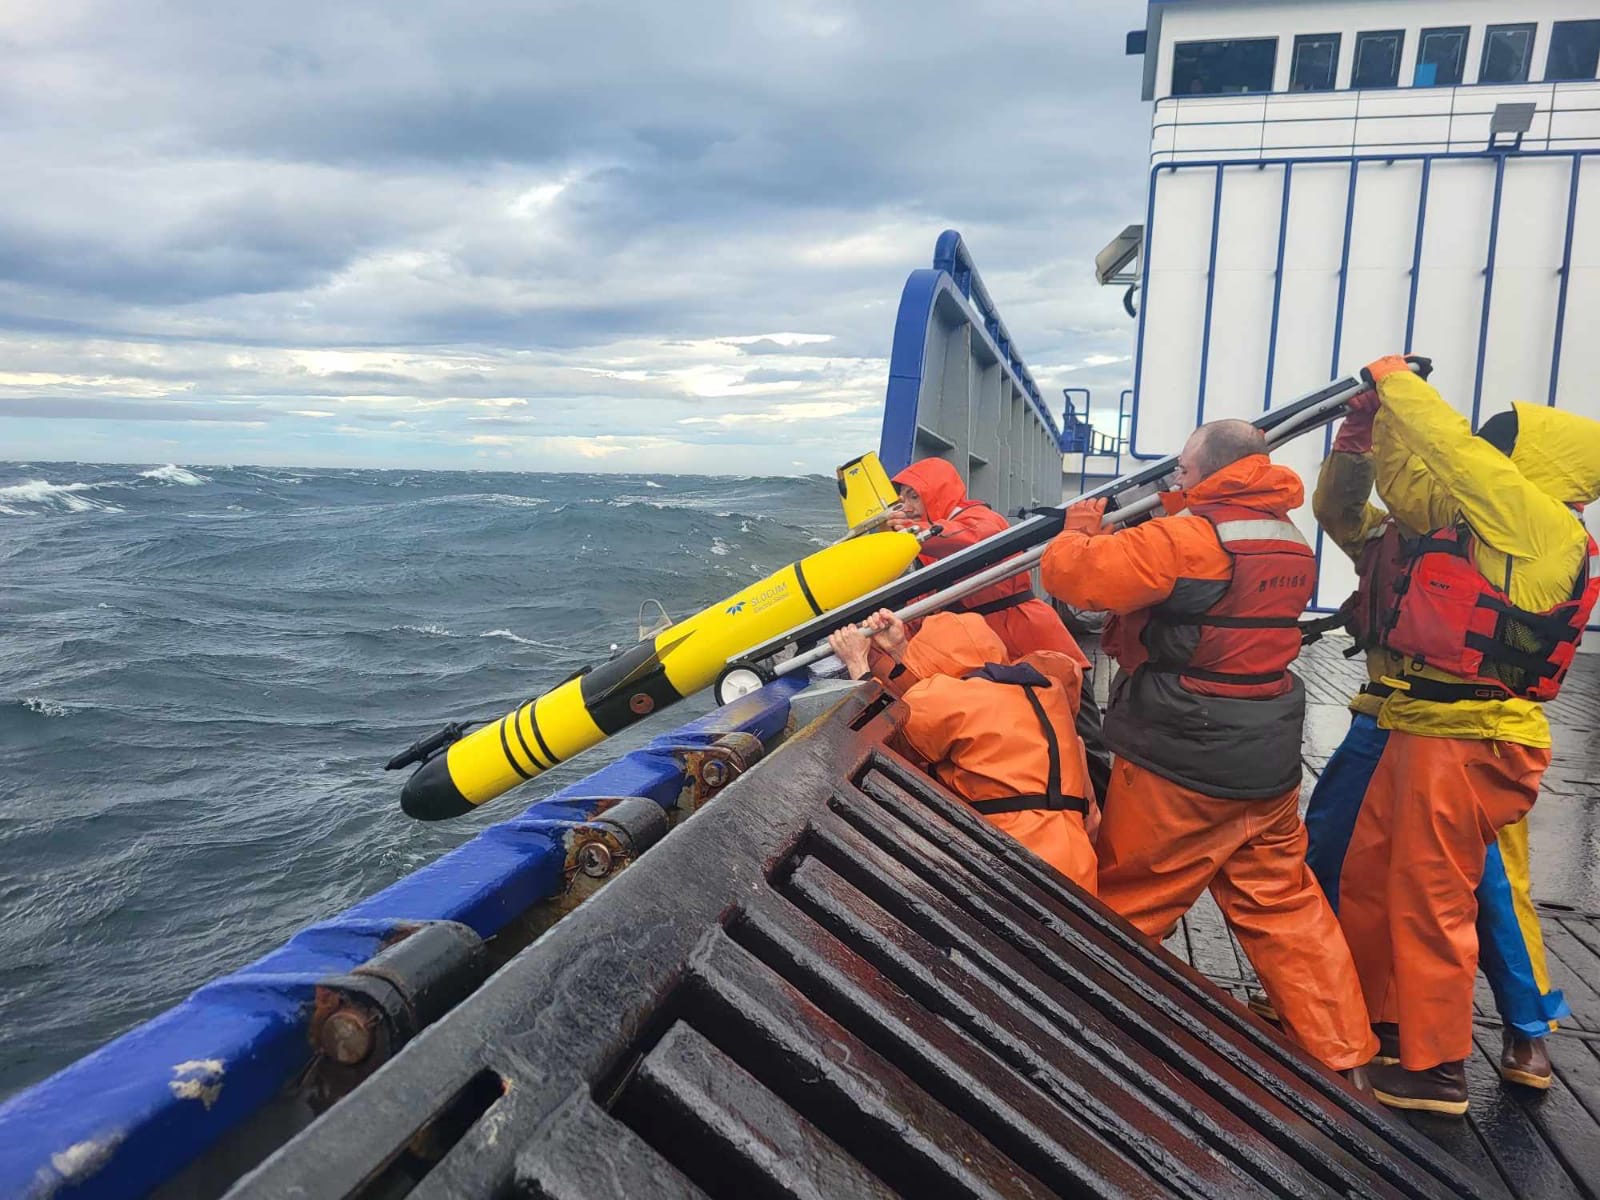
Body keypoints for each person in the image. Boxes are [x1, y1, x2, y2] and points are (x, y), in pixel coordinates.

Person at [1040, 418, 1376, 1078]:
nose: (1177, 481)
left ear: (1210, 474)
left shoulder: (1192, 537)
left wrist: (1078, 528)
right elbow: (1210, 574)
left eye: (1183, 472)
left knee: (1131, 898)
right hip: (1267, 761)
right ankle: (1345, 1056)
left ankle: (1068, 1036)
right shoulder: (1282, 535)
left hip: (1182, 759)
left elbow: (1078, 579)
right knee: (1286, 909)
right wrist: (1176, 508)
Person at [1333, 358, 1600, 1115]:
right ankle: (1386, 1026)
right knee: (1376, 875)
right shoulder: (1485, 524)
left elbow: (1454, 453)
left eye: (1503, 447)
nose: (1488, 453)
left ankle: (1437, 1067)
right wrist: (1374, 421)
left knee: (1434, 899)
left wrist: (1398, 381)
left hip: (1473, 731)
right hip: (1422, 720)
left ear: (1534, 466)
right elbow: (1408, 484)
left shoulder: (1539, 526)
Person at [889, 456, 1113, 806]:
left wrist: (918, 535)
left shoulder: (975, 518)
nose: (907, 505)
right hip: (996, 660)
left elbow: (979, 537)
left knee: (1083, 738)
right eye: (903, 497)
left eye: (914, 496)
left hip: (1036, 642)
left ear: (937, 493)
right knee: (1039, 740)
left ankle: (1105, 810)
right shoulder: (925, 549)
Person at [827, 610, 1097, 892]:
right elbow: (937, 699)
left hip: (1016, 861)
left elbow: (883, 736)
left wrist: (858, 663)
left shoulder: (955, 700)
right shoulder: (1040, 692)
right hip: (1078, 858)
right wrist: (898, 648)